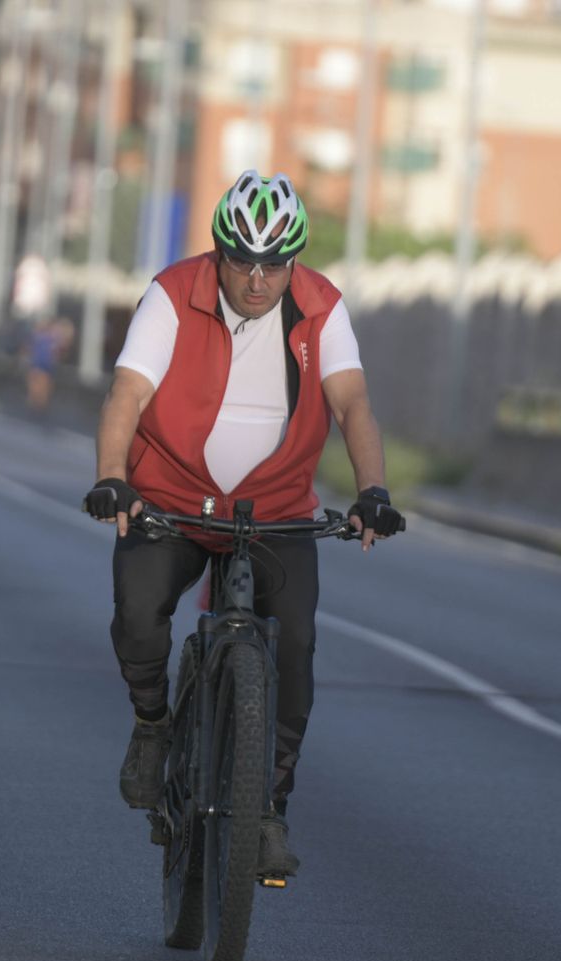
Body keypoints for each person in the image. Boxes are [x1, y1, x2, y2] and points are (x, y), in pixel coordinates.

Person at [83, 170, 406, 879]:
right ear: (218, 251)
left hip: (275, 513)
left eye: (275, 265)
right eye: (242, 262)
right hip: (170, 498)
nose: (258, 281)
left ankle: (267, 811)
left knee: (296, 645)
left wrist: (373, 491)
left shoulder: (322, 306)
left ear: (295, 260)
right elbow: (127, 393)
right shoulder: (172, 294)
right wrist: (112, 477)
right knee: (137, 611)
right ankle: (152, 724)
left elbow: (352, 403)